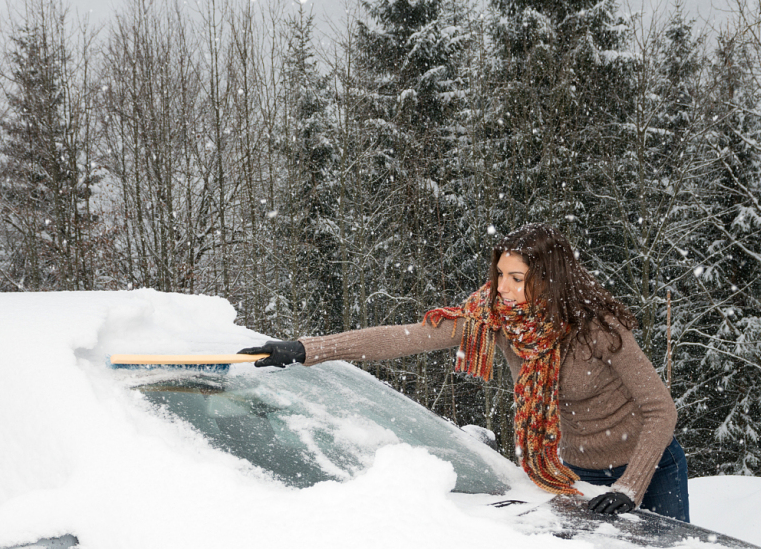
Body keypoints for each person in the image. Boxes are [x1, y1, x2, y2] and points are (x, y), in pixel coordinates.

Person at [240, 223, 690, 521]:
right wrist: (307, 349)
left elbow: (660, 411)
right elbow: (407, 337)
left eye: (518, 278)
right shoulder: (493, 320)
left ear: (548, 279)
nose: (503, 289)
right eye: (500, 275)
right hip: (570, 472)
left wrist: (632, 487)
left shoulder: (596, 328)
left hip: (648, 465)